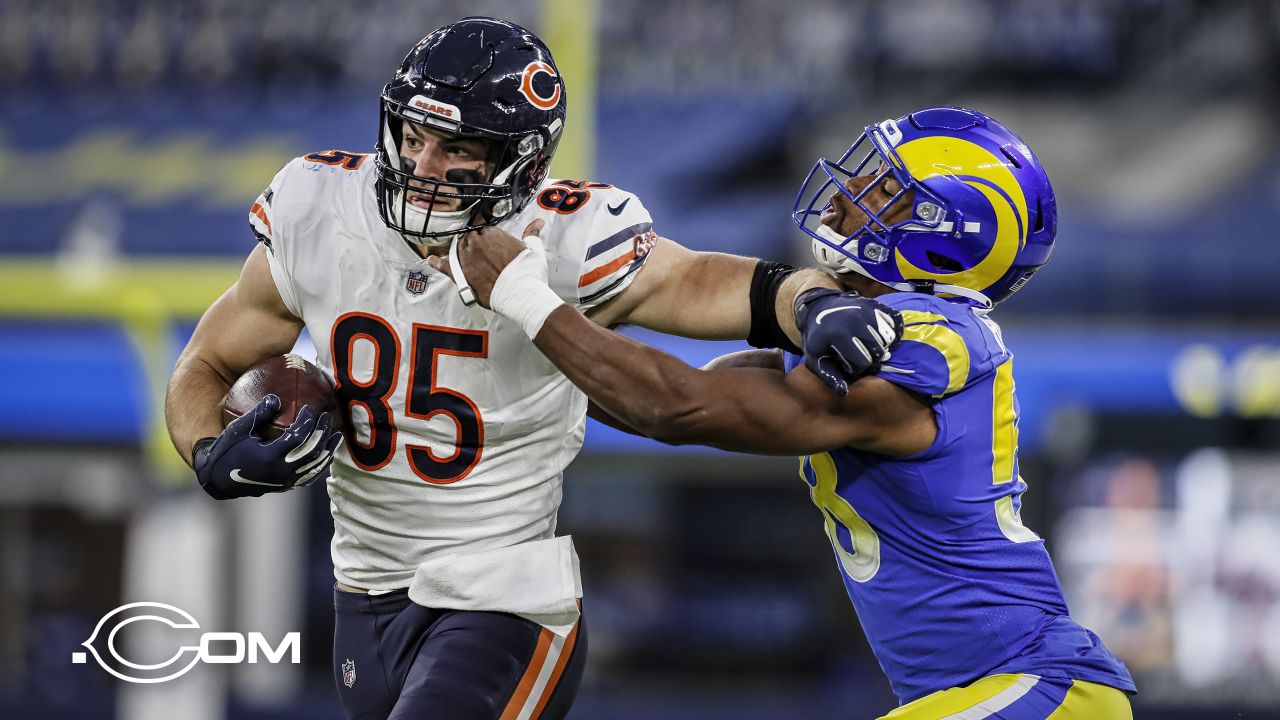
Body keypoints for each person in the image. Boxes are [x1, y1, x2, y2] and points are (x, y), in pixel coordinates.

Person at [163, 16, 888, 720]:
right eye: (412, 138)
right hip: (365, 595)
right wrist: (206, 448)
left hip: (504, 599)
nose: (421, 169)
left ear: (525, 163)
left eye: (455, 150)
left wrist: (814, 301)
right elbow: (205, 364)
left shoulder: (565, 234)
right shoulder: (320, 208)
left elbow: (723, 285)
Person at [439, 106, 1138, 719]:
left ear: (944, 230)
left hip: (1032, 689)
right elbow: (684, 398)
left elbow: (676, 406)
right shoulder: (882, 324)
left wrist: (530, 302)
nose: (851, 193)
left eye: (884, 189)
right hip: (986, 695)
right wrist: (511, 359)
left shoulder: (934, 337)